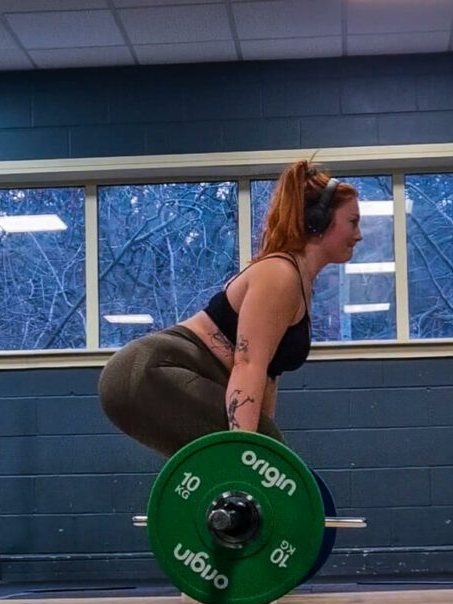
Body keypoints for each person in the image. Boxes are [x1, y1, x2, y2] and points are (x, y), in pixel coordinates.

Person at [98, 160, 362, 458]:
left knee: (265, 455)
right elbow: (248, 366)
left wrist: (258, 448)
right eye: (352, 222)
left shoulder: (300, 281)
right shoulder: (279, 275)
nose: (359, 234)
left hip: (159, 375)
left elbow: (267, 377)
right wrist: (247, 456)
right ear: (318, 221)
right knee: (261, 456)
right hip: (147, 372)